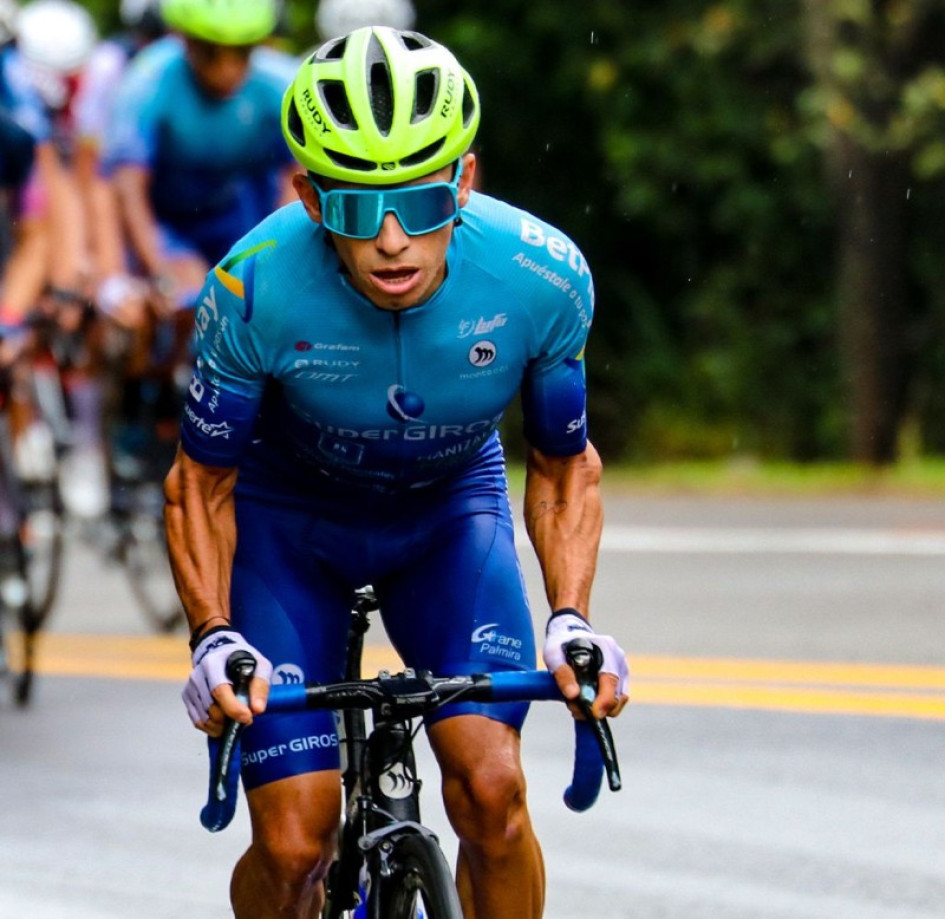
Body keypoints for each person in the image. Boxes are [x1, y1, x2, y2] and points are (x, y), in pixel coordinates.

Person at [165, 25, 629, 919]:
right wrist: (213, 634)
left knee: (493, 793)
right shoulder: (248, 289)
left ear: (464, 181)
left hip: (446, 518)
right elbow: (200, 484)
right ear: (308, 198)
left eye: (419, 202)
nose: (390, 240)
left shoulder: (542, 276)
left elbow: (564, 464)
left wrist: (570, 615)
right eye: (354, 209)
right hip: (288, 525)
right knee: (294, 841)